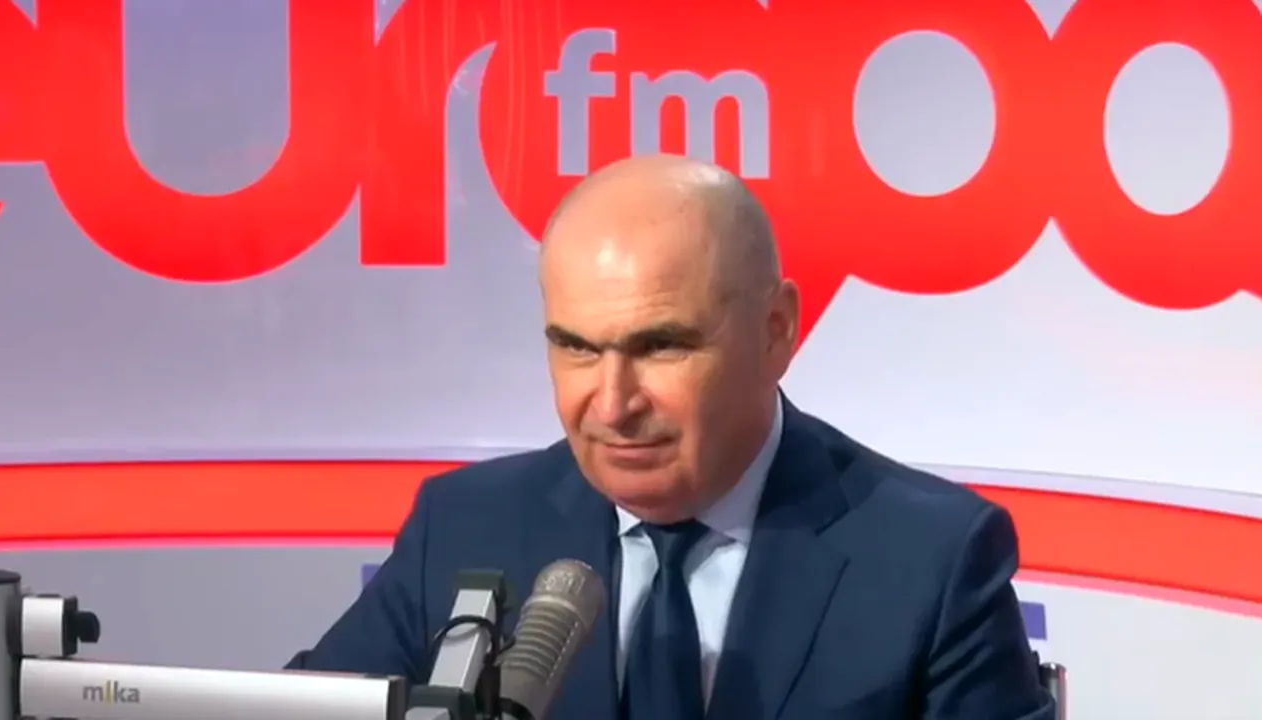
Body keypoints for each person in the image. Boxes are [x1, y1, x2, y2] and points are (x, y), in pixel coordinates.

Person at [293, 154, 1055, 719]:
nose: (613, 404)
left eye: (660, 346)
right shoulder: (464, 527)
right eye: (576, 347)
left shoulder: (931, 560)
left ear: (776, 330)